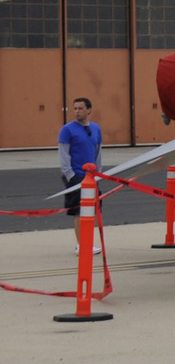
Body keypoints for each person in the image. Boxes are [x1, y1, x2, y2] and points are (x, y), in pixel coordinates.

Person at [57, 97, 103, 251]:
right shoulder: (67, 129)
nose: (77, 111)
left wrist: (98, 173)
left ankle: (88, 242)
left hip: (92, 176)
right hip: (76, 175)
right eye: (75, 108)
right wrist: (70, 175)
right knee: (79, 210)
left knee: (92, 209)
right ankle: (81, 245)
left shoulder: (96, 128)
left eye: (80, 108)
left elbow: (97, 152)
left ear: (89, 110)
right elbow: (64, 154)